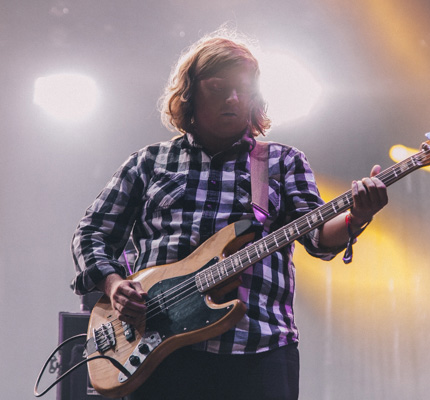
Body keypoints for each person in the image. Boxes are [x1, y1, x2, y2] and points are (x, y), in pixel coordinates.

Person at [71, 31, 388, 400]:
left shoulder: (282, 161)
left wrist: (356, 218)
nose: (233, 98)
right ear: (190, 93)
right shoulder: (149, 162)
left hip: (259, 348)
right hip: (158, 352)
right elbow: (91, 232)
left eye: (243, 88)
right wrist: (114, 285)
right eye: (219, 88)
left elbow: (317, 237)